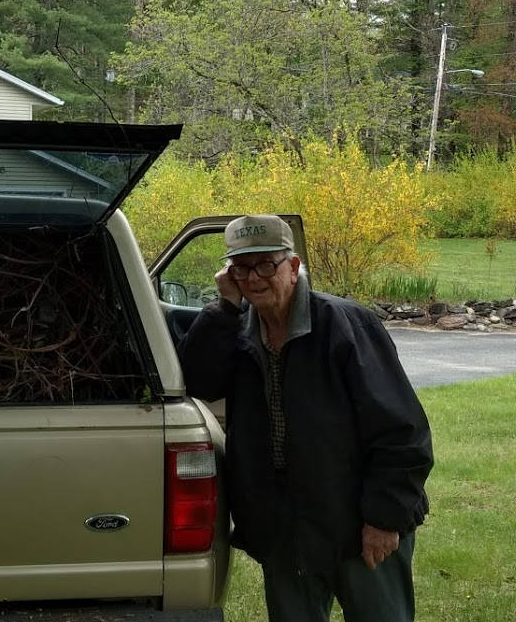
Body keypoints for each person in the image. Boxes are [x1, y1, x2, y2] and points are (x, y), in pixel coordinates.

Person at [179, 214, 433, 622]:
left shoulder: (345, 325)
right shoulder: (237, 331)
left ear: (293, 267)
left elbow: (402, 431)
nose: (254, 278)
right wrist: (225, 306)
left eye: (266, 265)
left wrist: (384, 519)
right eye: (241, 268)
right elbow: (200, 381)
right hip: (284, 529)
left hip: (356, 522)